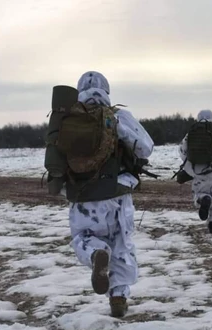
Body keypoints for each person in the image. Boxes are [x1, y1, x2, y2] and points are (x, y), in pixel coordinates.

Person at [67, 71, 154, 317]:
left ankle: (96, 253)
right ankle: (118, 297)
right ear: (107, 90)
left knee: (83, 236)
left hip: (82, 197)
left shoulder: (68, 119)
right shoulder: (118, 115)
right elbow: (146, 148)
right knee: (122, 245)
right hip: (117, 193)